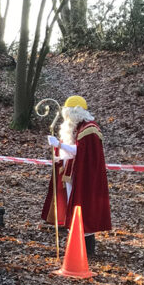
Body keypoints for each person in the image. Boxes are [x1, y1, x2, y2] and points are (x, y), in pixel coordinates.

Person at [43, 95, 111, 256]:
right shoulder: (78, 127)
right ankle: (76, 245)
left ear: (74, 113)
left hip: (84, 178)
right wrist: (59, 154)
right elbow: (73, 151)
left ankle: (86, 250)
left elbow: (80, 152)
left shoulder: (89, 129)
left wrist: (59, 145)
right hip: (73, 175)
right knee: (73, 208)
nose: (65, 118)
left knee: (83, 209)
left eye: (67, 114)